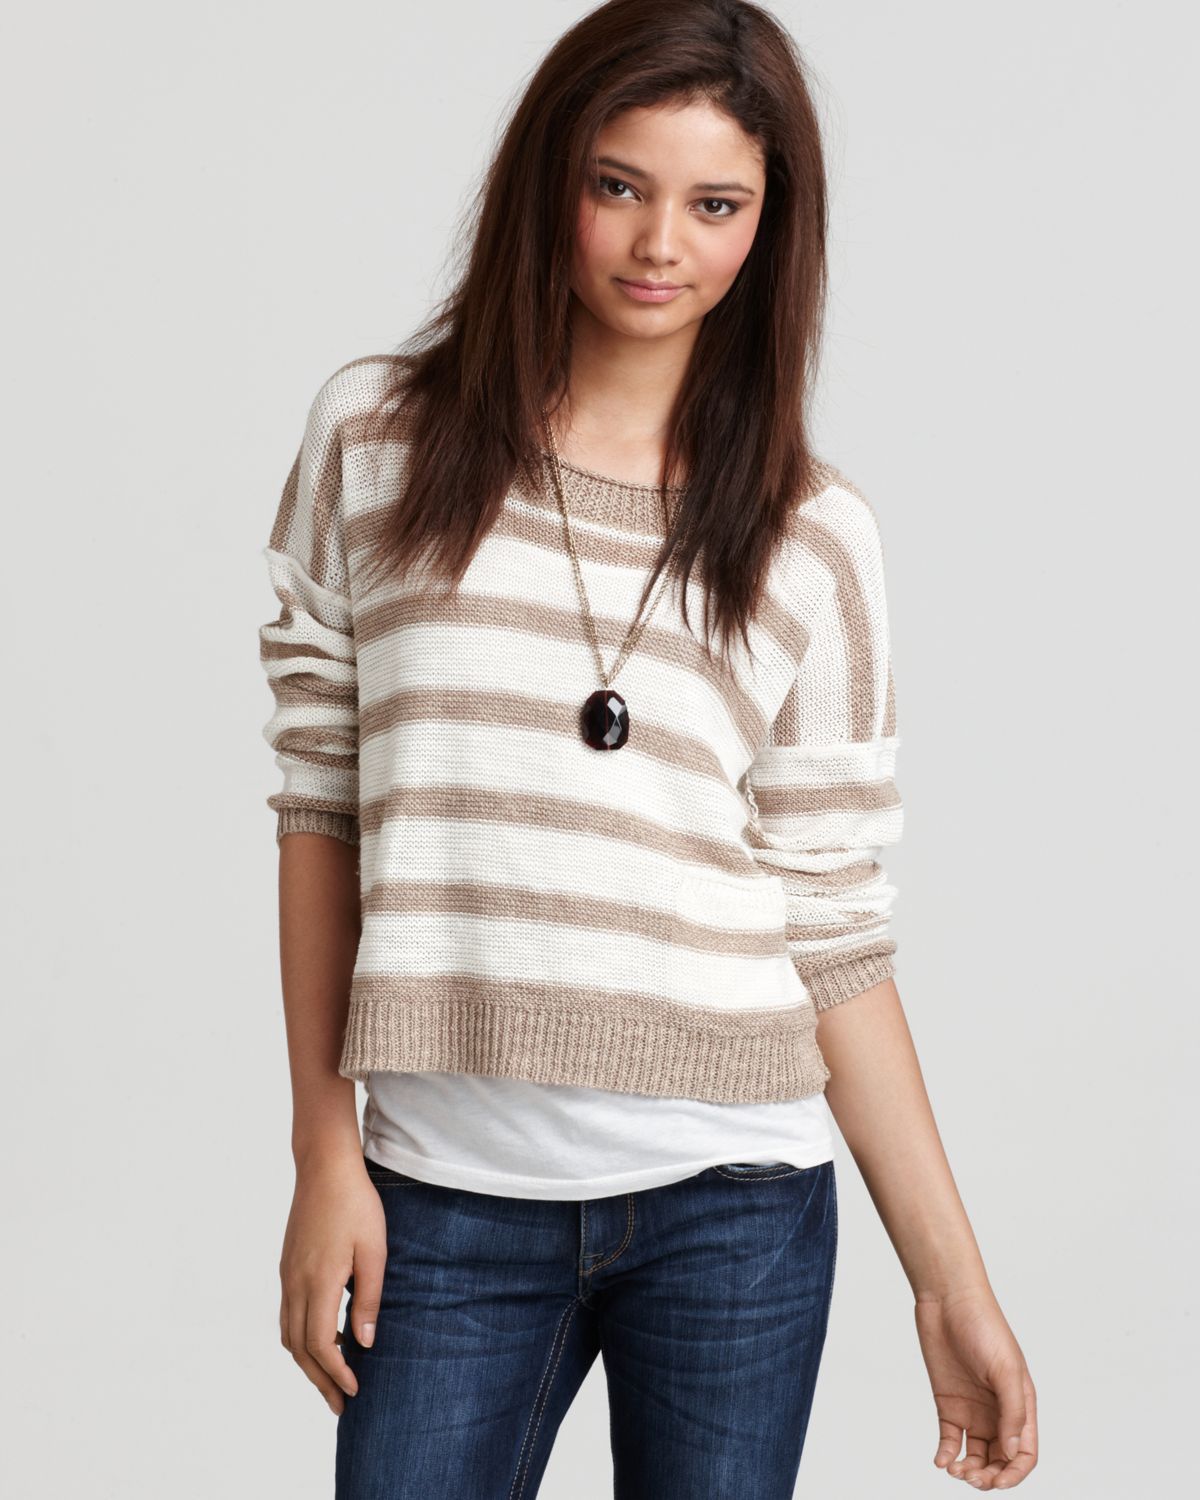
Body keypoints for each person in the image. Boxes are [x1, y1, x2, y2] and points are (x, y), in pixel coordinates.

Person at [258, 2, 1038, 1494]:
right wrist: (322, 1149)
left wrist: (952, 1285)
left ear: (770, 226)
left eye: (716, 204)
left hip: (736, 1206)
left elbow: (831, 924)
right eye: (617, 184)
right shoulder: (376, 441)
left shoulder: (812, 536)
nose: (659, 243)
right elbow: (320, 808)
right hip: (442, 1201)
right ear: (547, 178)